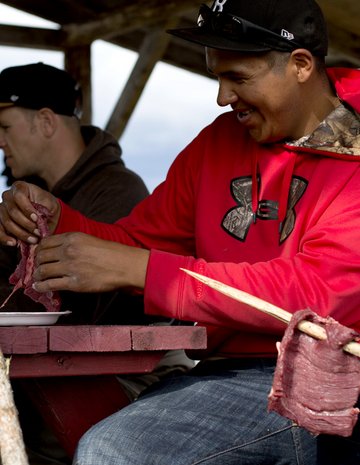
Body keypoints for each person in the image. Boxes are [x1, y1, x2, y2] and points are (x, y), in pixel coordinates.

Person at [0, 0, 360, 463]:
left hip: (323, 380)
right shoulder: (215, 142)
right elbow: (136, 244)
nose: (222, 97)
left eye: (239, 78)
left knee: (112, 450)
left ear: (301, 65)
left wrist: (150, 272)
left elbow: (318, 296)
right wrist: (58, 220)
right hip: (218, 371)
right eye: (217, 77)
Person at [0, 63, 193, 465]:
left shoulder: (119, 193)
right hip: (60, 371)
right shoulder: (34, 197)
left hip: (134, 377)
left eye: (4, 126)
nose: (0, 142)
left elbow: (83, 316)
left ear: (47, 122)